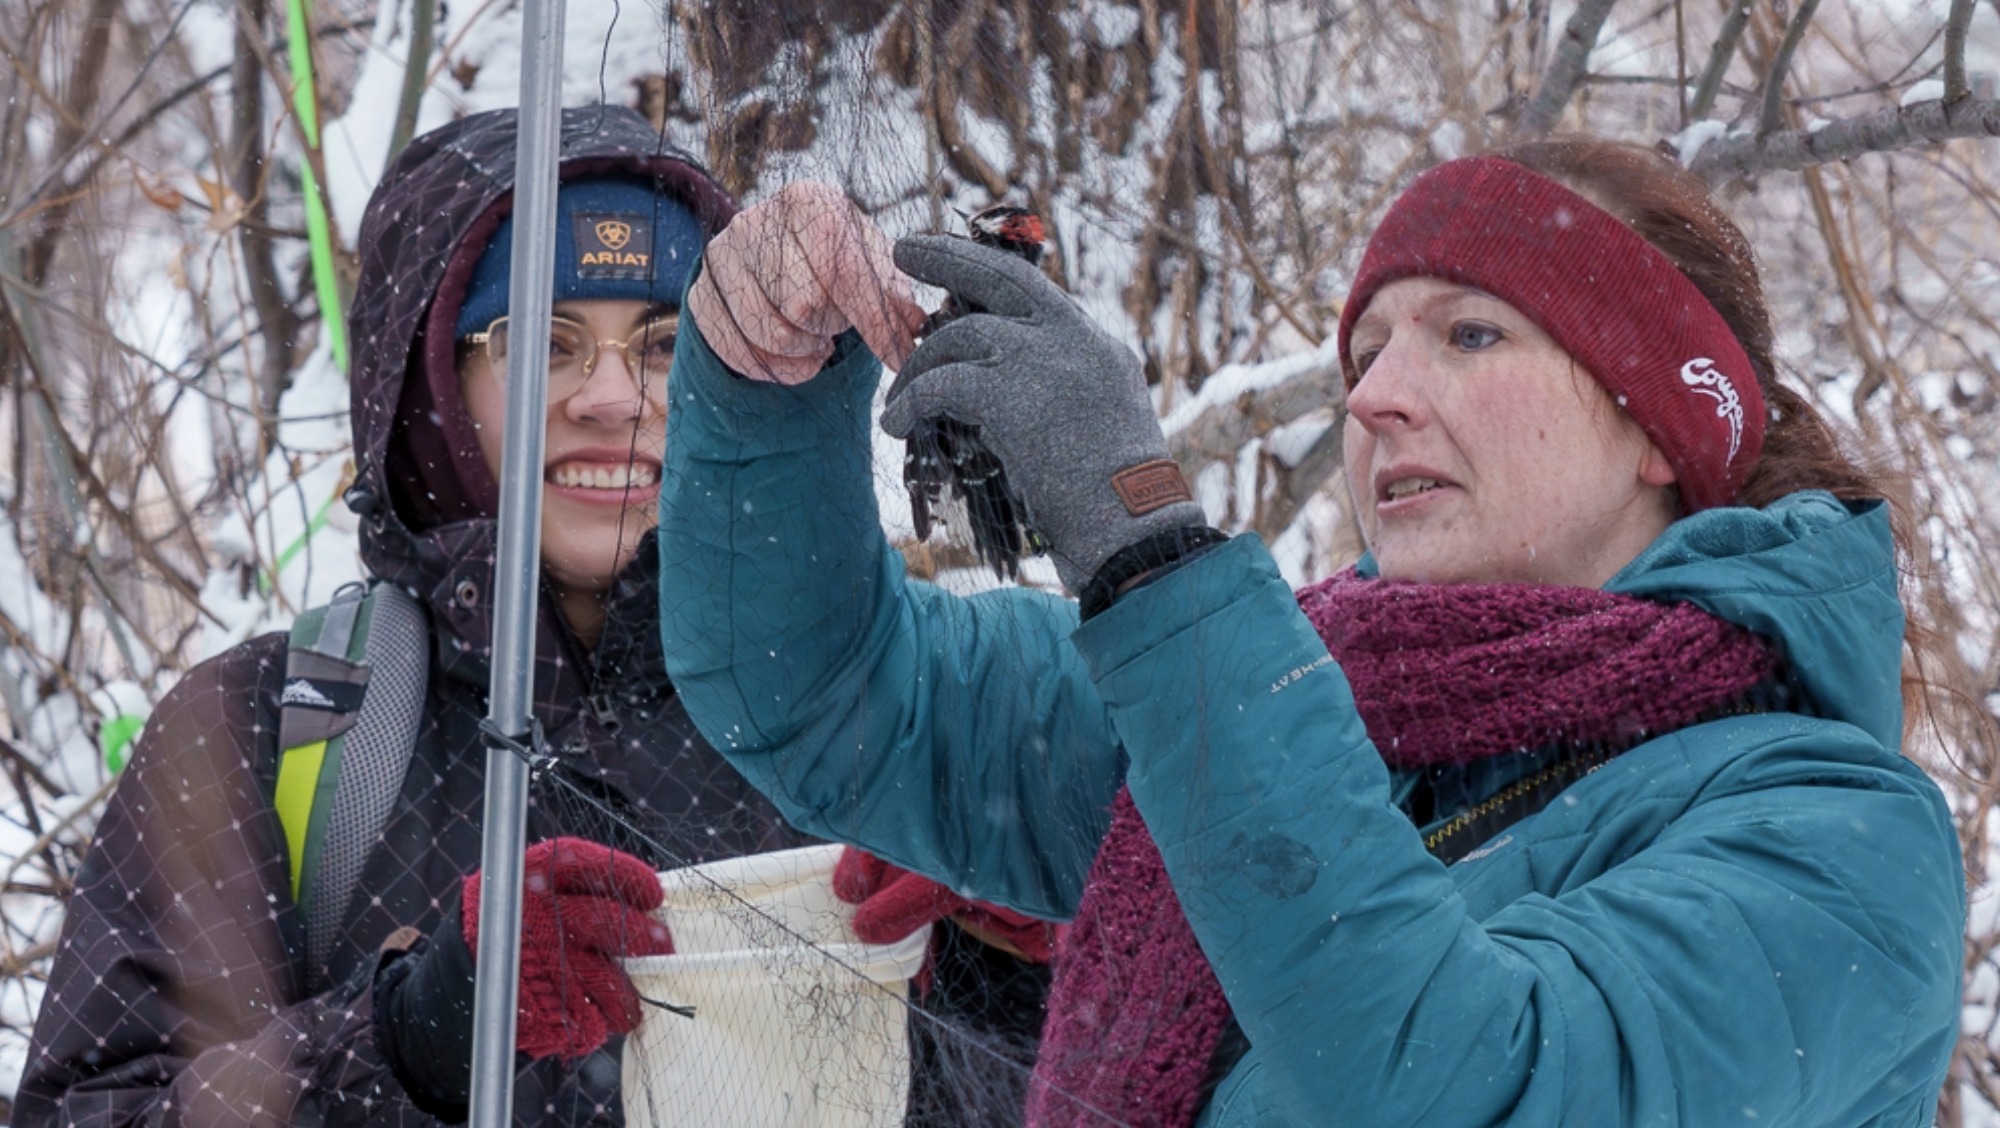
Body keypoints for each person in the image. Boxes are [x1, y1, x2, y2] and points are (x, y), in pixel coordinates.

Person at [655, 139, 1967, 1125]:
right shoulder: (1313, 703)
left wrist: (1147, 545)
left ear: (1654, 431)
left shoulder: (1843, 850)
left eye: (1468, 334)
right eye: (1367, 356)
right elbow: (826, 687)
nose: (1381, 397)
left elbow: (1470, 1090)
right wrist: (764, 382)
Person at [18, 105, 1048, 1127]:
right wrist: (411, 1036)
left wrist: (1016, 972)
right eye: (542, 343)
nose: (612, 398)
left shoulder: (880, 699)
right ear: (430, 385)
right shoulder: (277, 733)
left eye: (662, 344)